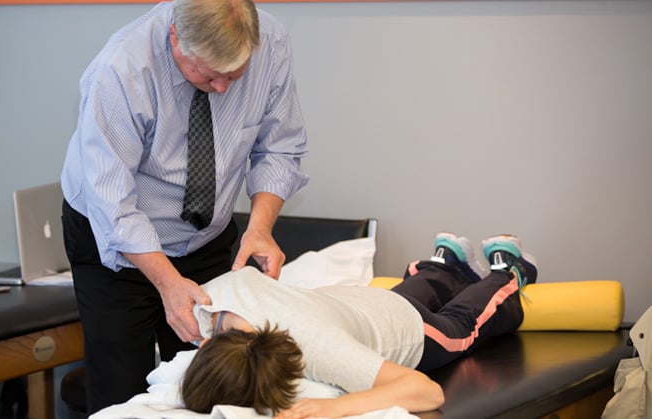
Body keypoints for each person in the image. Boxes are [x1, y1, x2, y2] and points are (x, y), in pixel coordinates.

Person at [59, 0, 309, 413]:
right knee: (124, 398)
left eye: (235, 75)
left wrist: (260, 227)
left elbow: (280, 147)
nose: (224, 88)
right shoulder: (120, 69)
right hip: (117, 247)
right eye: (210, 75)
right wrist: (167, 282)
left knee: (212, 386)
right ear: (176, 37)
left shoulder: (271, 41)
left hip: (206, 236)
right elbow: (113, 203)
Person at [181, 233, 539, 417]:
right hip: (358, 302)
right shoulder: (214, 302)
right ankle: (445, 266)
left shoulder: (320, 349)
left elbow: (428, 393)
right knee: (402, 297)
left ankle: (510, 271)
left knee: (460, 327)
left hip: (409, 328)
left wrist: (334, 408)